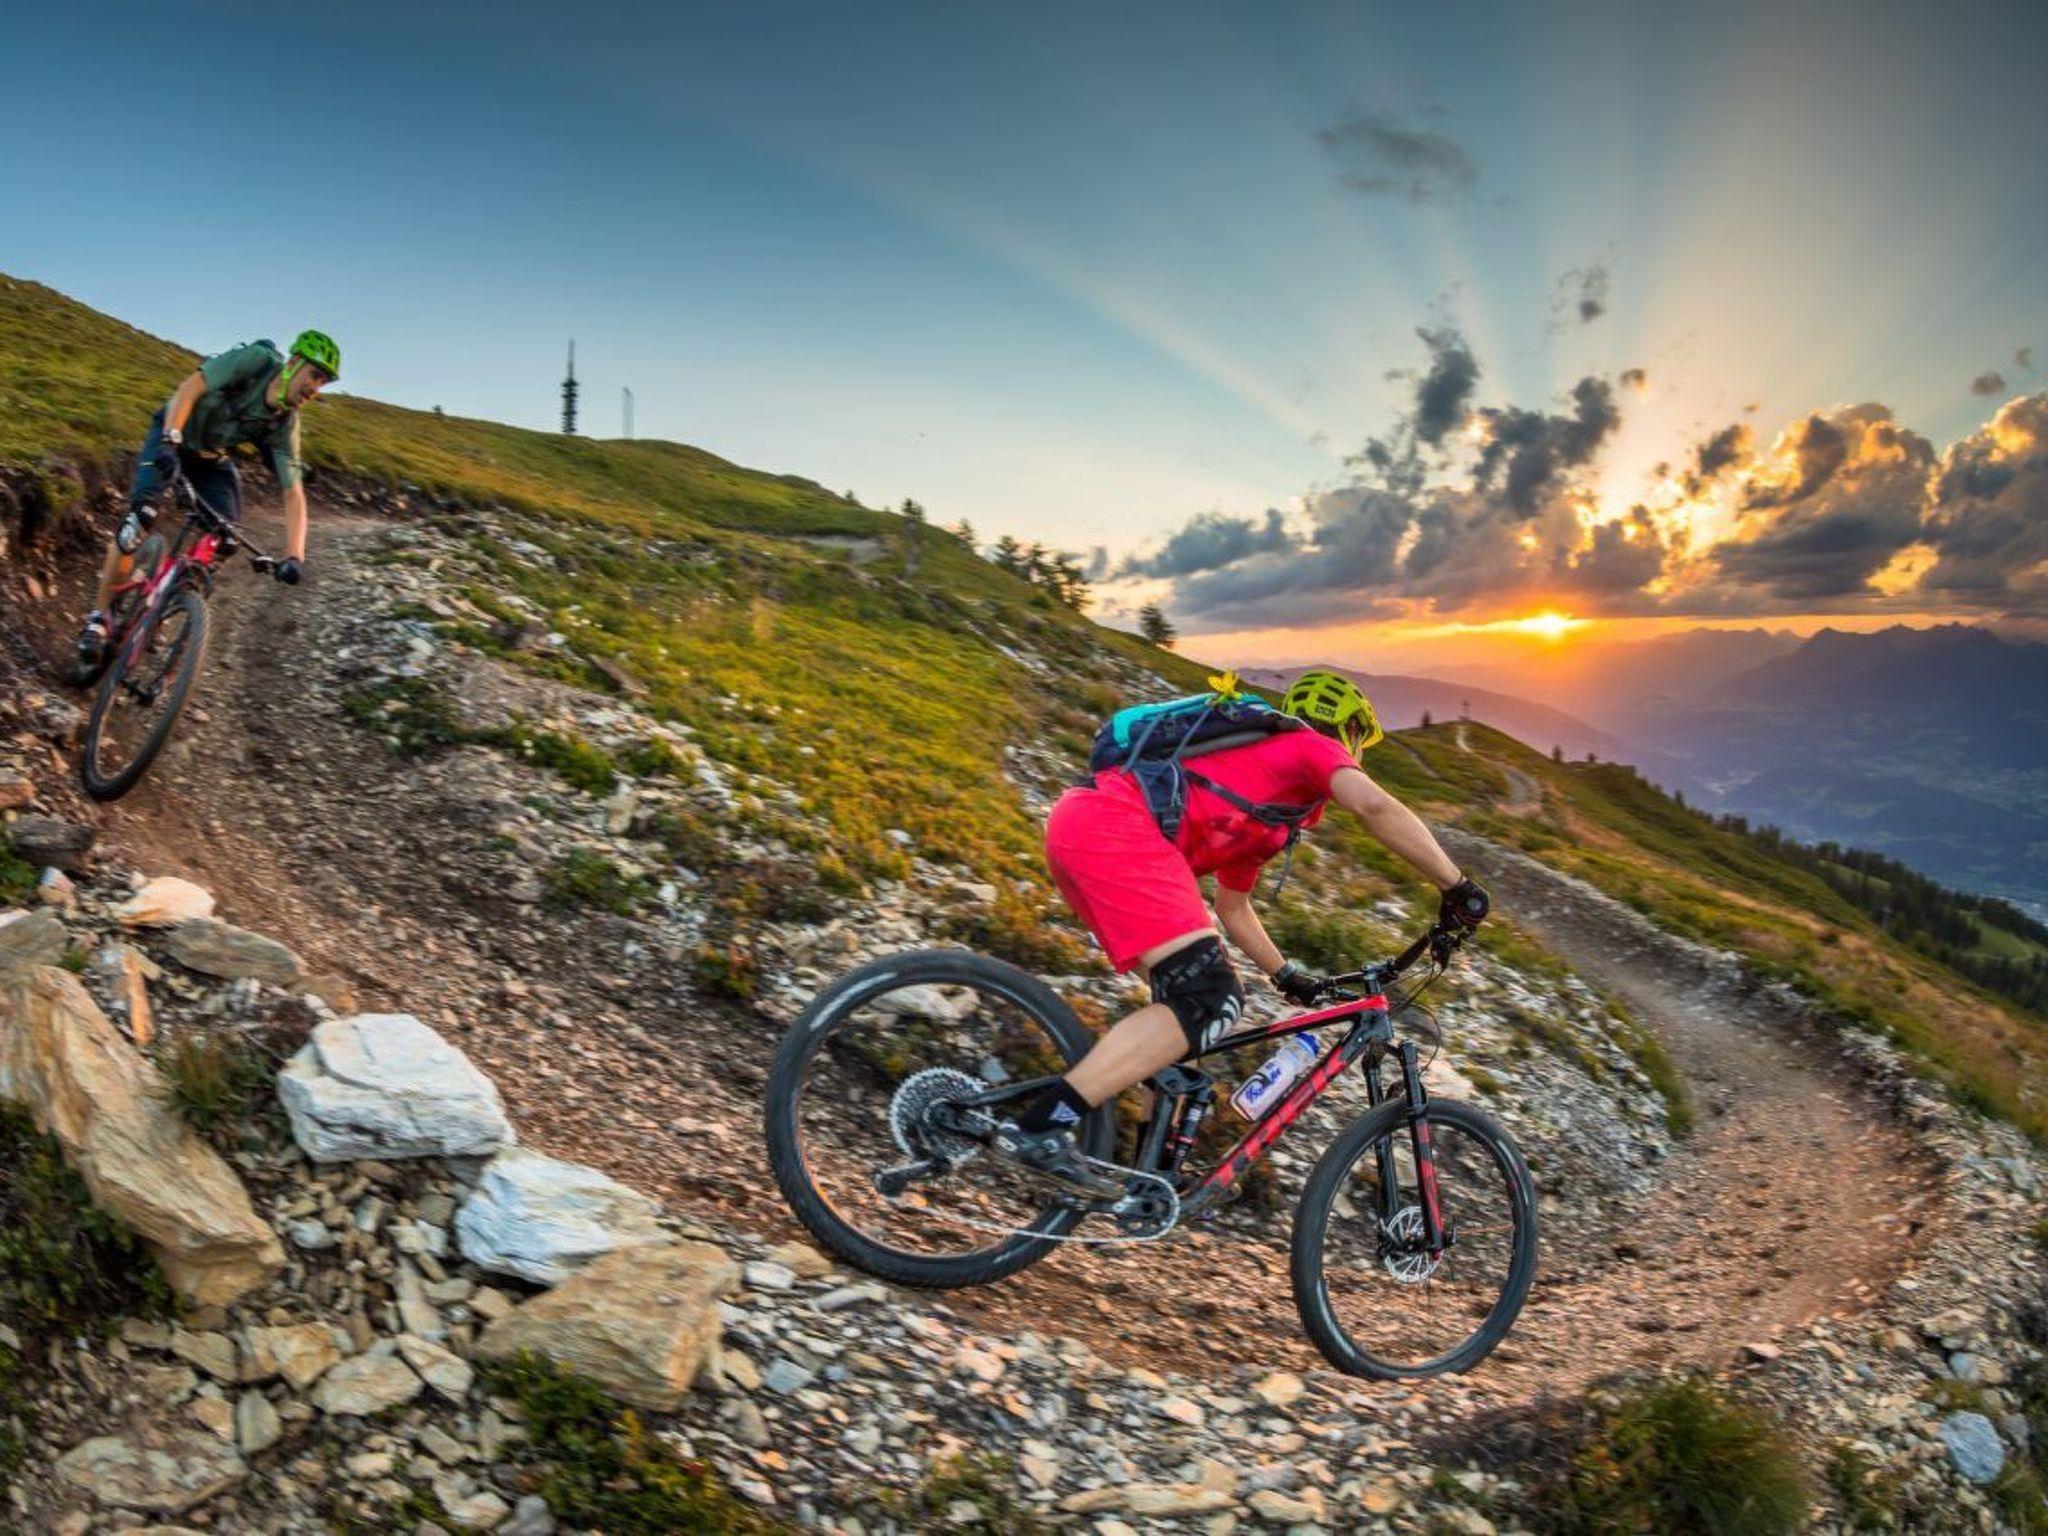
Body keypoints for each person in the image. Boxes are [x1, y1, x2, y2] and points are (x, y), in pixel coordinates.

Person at [995, 668, 1489, 1186]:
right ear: (1348, 733)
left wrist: (1287, 975)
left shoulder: (1271, 810)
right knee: (1210, 1000)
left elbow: (1233, 908)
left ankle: (1146, 1183)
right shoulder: (1307, 744)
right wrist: (1457, 887)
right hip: (1115, 830)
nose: (1356, 757)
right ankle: (1039, 1128)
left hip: (1087, 830)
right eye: (1358, 743)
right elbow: (1374, 804)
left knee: (1185, 1022)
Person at [75, 330, 339, 668]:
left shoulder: (284, 423)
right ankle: (98, 619)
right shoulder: (255, 363)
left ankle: (166, 601)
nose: (316, 388)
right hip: (172, 434)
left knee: (226, 539)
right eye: (314, 375)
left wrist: (295, 556)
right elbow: (191, 387)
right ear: (294, 363)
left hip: (211, 459)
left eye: (324, 382)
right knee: (138, 521)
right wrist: (170, 440)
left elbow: (293, 492)